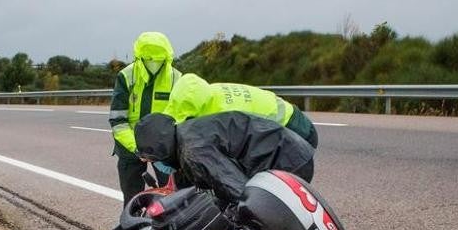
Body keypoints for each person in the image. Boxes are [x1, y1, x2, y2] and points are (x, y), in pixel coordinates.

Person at [134, 112, 315, 203]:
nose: (153, 164)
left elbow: (239, 191)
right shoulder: (185, 134)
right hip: (288, 150)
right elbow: (190, 182)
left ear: (160, 151)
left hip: (287, 161)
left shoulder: (193, 151)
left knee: (264, 225)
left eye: (150, 159)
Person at [109, 32, 182, 204]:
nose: (154, 62)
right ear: (139, 57)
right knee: (132, 201)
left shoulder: (177, 78)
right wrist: (137, 148)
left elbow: (182, 118)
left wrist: (167, 148)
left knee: (172, 199)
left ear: (167, 57)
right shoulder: (126, 76)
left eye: (158, 59)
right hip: (130, 147)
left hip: (164, 150)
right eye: (149, 58)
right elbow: (118, 121)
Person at [163, 73, 318, 148]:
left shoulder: (221, 115)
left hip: (294, 130)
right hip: (286, 120)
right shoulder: (207, 92)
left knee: (268, 192)